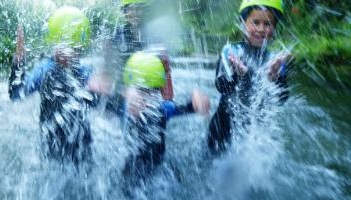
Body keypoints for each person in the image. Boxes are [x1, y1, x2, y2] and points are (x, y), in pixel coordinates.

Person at [9, 6, 103, 166]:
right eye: (62, 46)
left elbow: (96, 105)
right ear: (54, 44)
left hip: (81, 145)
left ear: (80, 48)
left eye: (73, 48)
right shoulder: (44, 70)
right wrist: (19, 61)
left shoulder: (87, 72)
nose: (67, 53)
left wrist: (99, 91)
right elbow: (16, 93)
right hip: (51, 143)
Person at [207, 0, 291, 155]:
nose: (261, 29)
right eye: (255, 22)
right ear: (243, 23)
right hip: (223, 125)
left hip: (255, 128)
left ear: (274, 28)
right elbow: (221, 86)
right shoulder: (231, 51)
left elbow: (282, 98)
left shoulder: (274, 61)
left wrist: (274, 80)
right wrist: (239, 76)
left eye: (267, 24)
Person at [119, 51, 210, 180]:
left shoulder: (161, 109)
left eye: (151, 92)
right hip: (136, 173)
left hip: (155, 172)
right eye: (141, 92)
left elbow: (191, 107)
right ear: (127, 91)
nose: (143, 101)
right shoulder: (123, 108)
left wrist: (197, 98)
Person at [104, 0, 174, 114]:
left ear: (143, 10)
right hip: (126, 93)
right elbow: (110, 71)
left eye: (138, 8)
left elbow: (165, 71)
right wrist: (123, 92)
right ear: (125, 11)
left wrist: (168, 99)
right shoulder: (117, 36)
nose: (135, 12)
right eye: (131, 9)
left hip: (149, 92)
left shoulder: (153, 35)